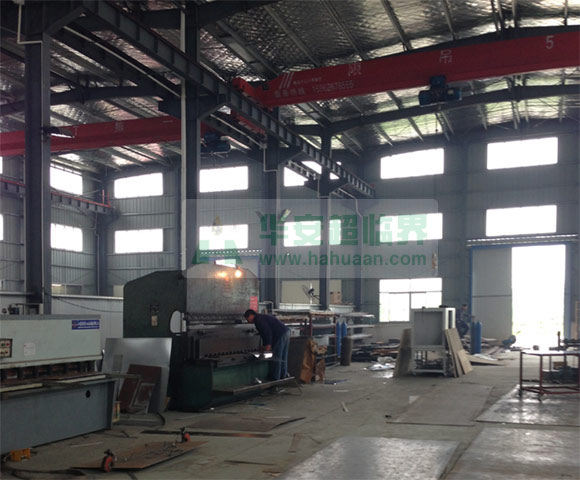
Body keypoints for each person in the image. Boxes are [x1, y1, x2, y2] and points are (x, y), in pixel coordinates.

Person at [244, 309, 290, 381]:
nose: (247, 321)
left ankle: (275, 379)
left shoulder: (258, 320)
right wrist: (264, 345)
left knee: (276, 357)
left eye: (247, 319)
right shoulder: (260, 318)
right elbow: (264, 335)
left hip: (279, 335)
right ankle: (283, 376)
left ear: (251, 315)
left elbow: (268, 332)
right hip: (285, 332)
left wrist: (268, 345)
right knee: (283, 357)